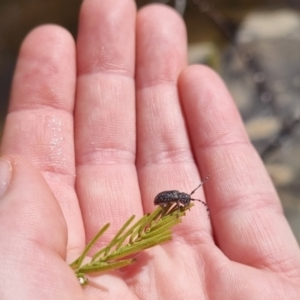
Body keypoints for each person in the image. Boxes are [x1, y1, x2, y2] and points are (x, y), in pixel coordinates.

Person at [0, 0, 299, 299]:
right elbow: (168, 201)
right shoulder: (177, 199)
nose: (187, 202)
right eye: (186, 202)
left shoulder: (181, 200)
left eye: (185, 203)